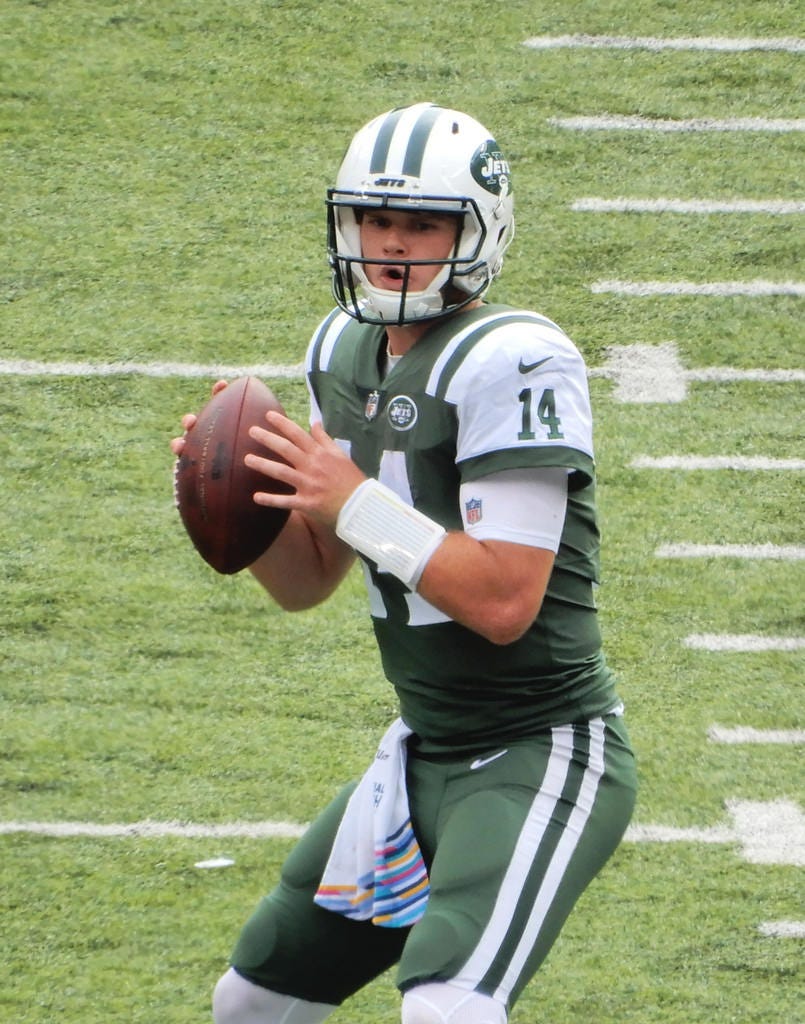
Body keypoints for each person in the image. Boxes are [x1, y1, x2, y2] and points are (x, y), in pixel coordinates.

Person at [172, 102, 638, 1024]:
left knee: (447, 1005)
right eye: (375, 219)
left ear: (477, 230)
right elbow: (310, 581)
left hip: (539, 746)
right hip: (419, 755)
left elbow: (504, 601)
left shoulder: (516, 357)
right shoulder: (337, 349)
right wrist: (240, 505)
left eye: (421, 222)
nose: (391, 243)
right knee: (252, 1004)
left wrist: (352, 500)